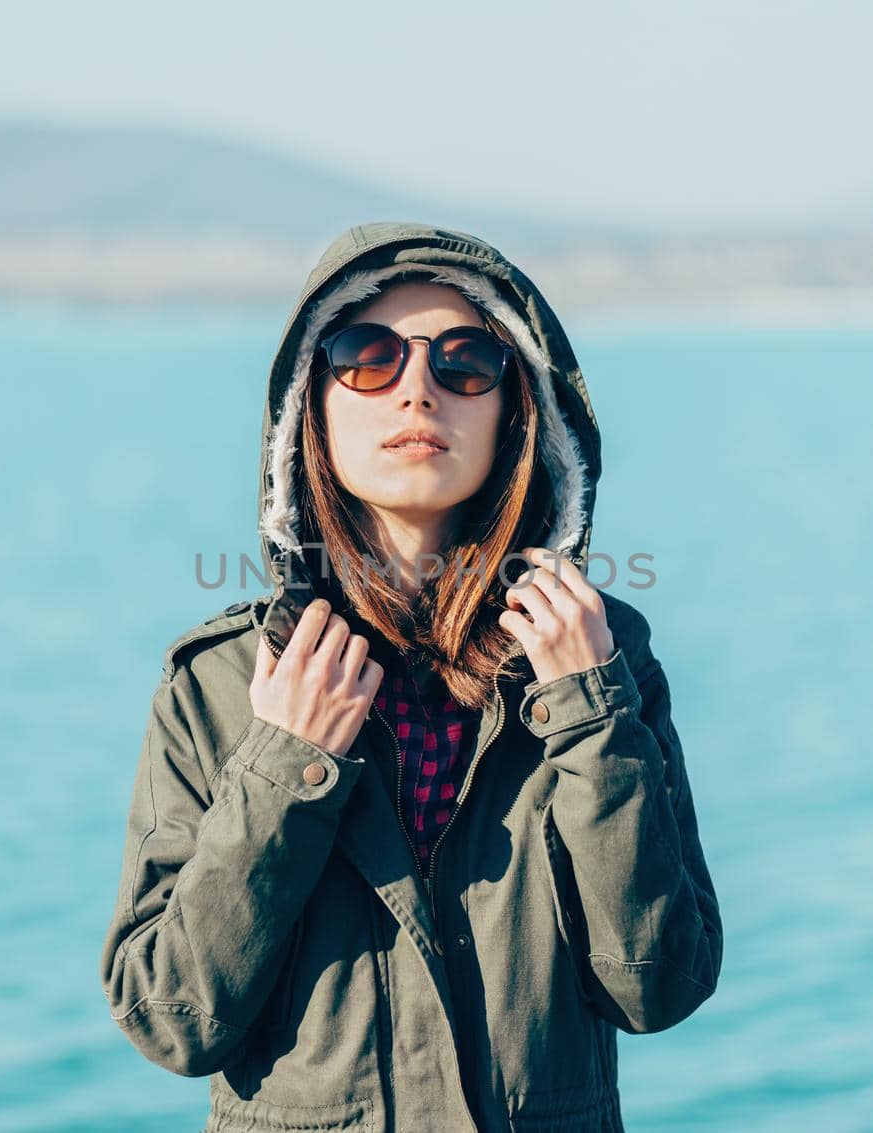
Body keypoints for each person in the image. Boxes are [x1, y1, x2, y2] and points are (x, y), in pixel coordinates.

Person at [100, 222, 722, 1132]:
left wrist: (591, 716)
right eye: (367, 356)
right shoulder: (224, 680)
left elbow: (658, 983)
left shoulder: (600, 656)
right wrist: (284, 763)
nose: (418, 390)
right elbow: (171, 1016)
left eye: (467, 361)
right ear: (308, 408)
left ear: (520, 409)